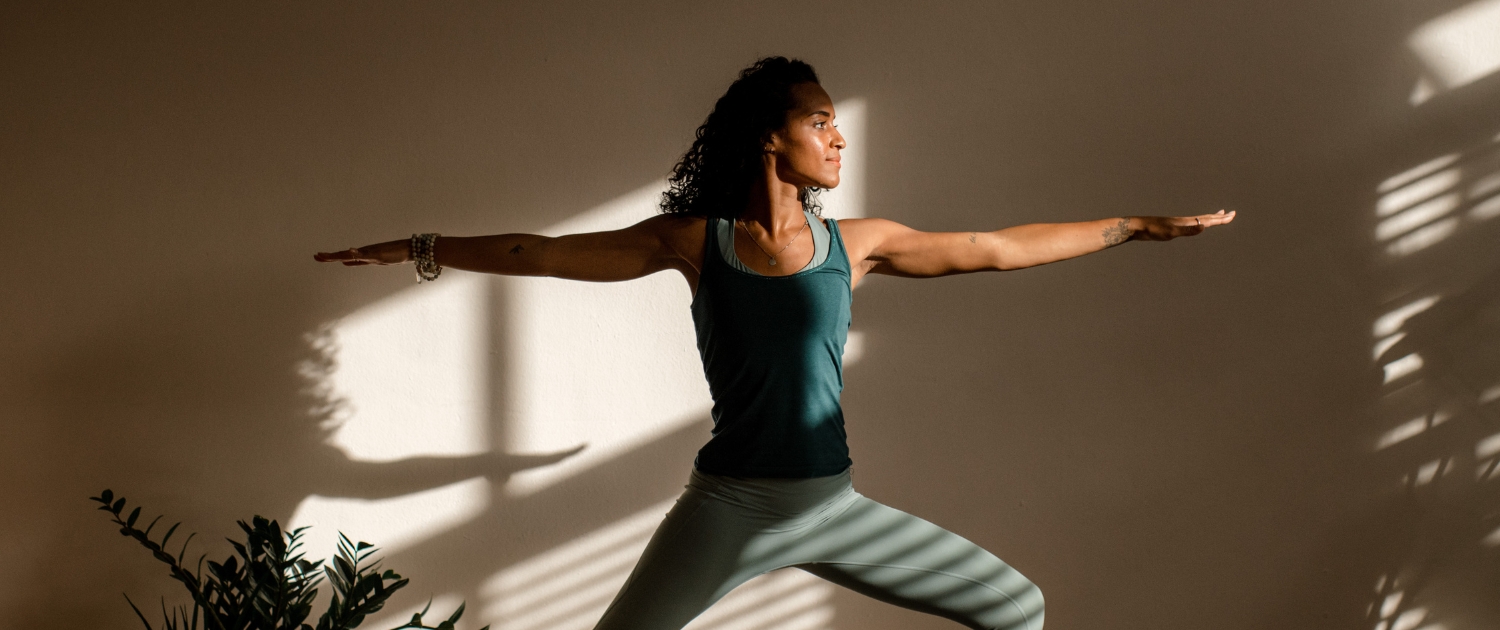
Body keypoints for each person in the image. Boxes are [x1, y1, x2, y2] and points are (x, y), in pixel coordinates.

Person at [316, 56, 1234, 630]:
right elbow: (545, 252)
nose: (838, 138)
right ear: (770, 136)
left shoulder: (856, 245)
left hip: (832, 505)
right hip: (732, 508)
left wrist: (1131, 226)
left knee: (1017, 609)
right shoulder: (694, 243)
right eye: (819, 122)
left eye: (837, 122)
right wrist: (421, 247)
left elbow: (994, 248)